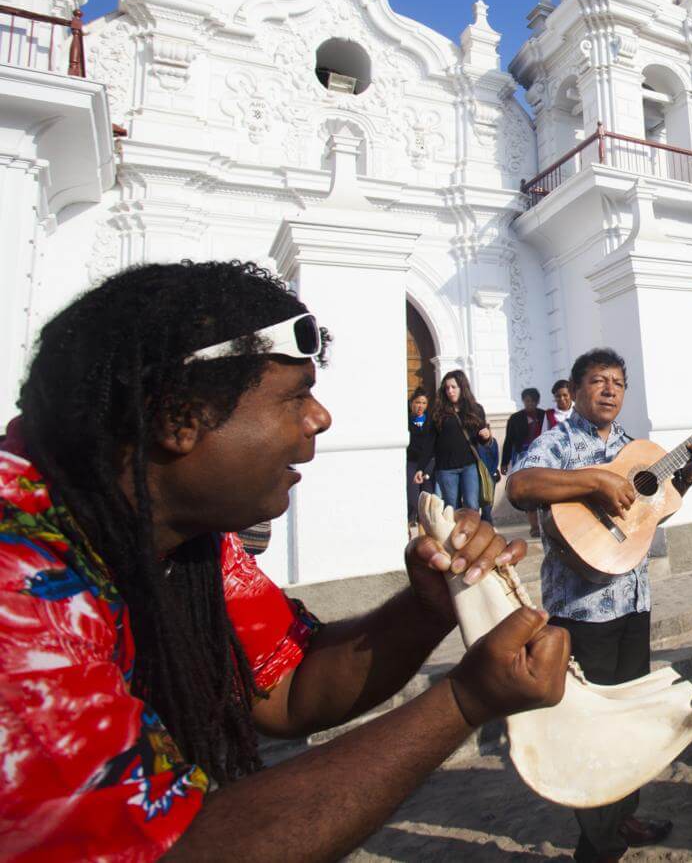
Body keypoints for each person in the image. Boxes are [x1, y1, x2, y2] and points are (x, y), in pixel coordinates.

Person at [0, 260, 570, 860]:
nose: (320, 417)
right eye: (296, 395)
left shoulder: (178, 533)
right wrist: (463, 702)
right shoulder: (20, 589)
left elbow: (287, 689)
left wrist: (426, 609)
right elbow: (168, 852)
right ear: (176, 417)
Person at [504, 347, 692, 863]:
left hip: (632, 604)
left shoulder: (634, 449)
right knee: (593, 728)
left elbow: (644, 519)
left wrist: (685, 477)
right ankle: (597, 846)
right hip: (582, 612)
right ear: (575, 390)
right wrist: (593, 479)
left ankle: (624, 817)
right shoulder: (556, 442)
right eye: (599, 380)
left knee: (631, 722)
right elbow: (520, 486)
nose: (611, 389)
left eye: (618, 382)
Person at [430, 369, 491, 514]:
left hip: (469, 465)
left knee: (472, 505)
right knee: (452, 507)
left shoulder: (475, 409)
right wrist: (421, 467)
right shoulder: (439, 412)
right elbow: (430, 440)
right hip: (446, 468)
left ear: (462, 388)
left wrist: (486, 436)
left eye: (453, 387)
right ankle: (456, 536)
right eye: (447, 388)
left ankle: (471, 536)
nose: (450, 391)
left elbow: (481, 440)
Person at [407, 387, 436, 526]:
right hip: (411, 462)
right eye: (418, 402)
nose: (420, 406)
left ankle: (424, 525)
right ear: (412, 403)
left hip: (428, 463)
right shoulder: (405, 420)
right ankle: (411, 520)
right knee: (413, 496)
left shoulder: (431, 421)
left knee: (427, 495)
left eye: (424, 403)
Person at [502, 388, 545, 474]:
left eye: (533, 401)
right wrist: (504, 463)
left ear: (538, 401)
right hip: (521, 456)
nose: (530, 403)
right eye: (527, 401)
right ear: (523, 401)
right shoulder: (515, 418)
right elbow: (508, 441)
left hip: (541, 455)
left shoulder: (544, 416)